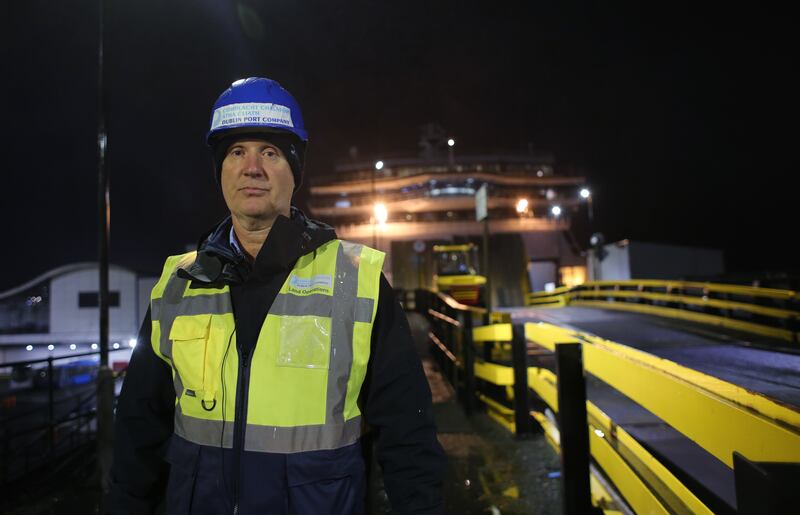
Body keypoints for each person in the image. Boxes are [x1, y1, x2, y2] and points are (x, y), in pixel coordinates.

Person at [111, 77, 446, 514]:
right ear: (221, 171)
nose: (252, 168)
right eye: (236, 152)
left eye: (270, 152)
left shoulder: (356, 280)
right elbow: (138, 433)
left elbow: (409, 438)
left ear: (295, 172)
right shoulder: (177, 284)